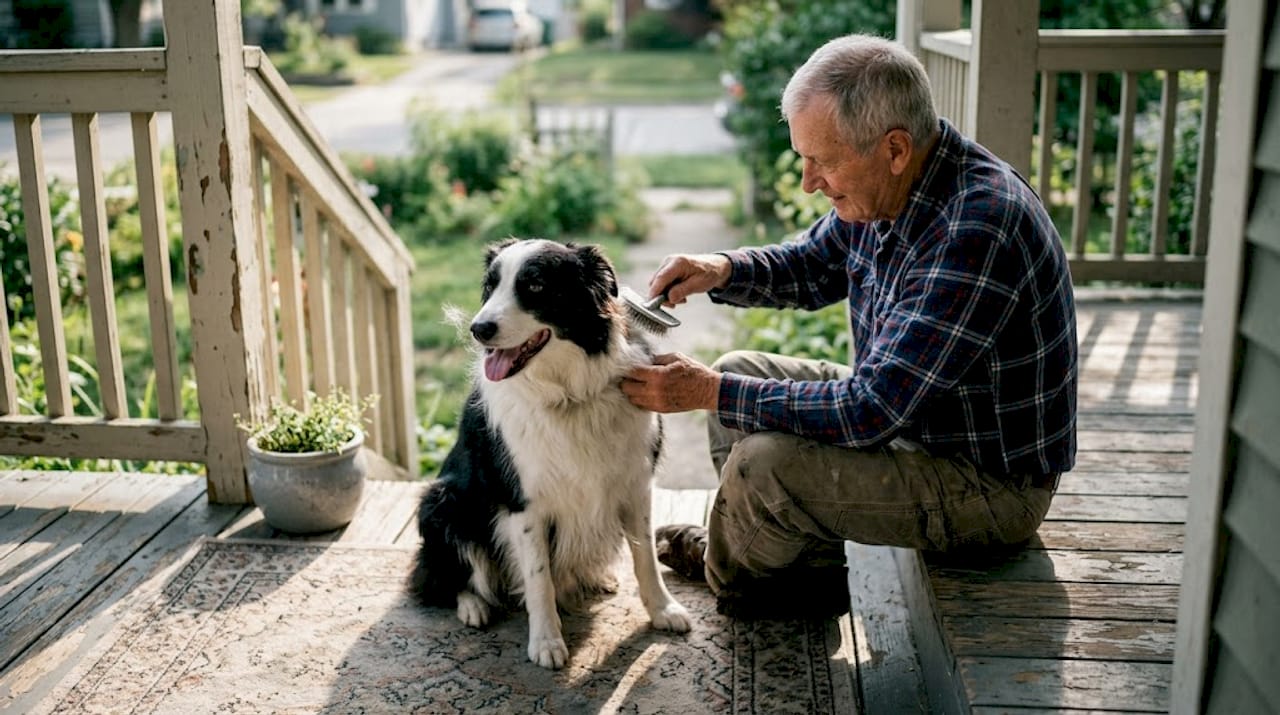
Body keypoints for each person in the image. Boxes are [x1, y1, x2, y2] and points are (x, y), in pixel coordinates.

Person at [620, 33, 1077, 619]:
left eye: (824, 161)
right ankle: (803, 570)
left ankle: (729, 571)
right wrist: (720, 269)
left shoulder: (976, 228)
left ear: (893, 148)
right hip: (922, 425)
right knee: (738, 373)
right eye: (804, 160)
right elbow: (810, 265)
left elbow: (871, 411)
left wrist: (706, 391)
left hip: (988, 486)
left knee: (761, 461)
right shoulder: (893, 187)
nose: (811, 181)